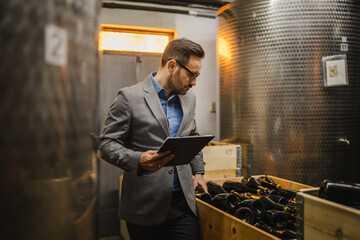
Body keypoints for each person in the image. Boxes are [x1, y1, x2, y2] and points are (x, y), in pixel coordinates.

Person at [99, 38, 208, 240]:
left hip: (183, 205)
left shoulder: (189, 98)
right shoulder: (129, 98)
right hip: (144, 206)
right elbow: (106, 145)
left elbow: (192, 135)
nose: (194, 82)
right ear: (172, 65)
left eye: (197, 75)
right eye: (192, 75)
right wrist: (138, 160)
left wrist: (198, 172)